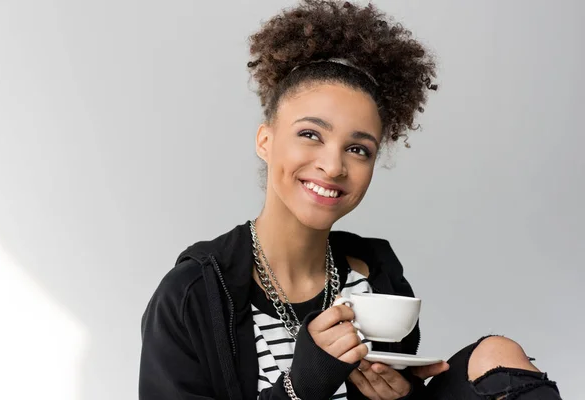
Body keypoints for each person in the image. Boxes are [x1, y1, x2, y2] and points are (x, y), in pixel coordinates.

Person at [138, 1, 562, 399]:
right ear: (265, 141)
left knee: (497, 352)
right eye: (310, 134)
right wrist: (299, 387)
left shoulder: (375, 278)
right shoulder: (192, 294)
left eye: (358, 149)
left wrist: (401, 394)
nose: (334, 165)